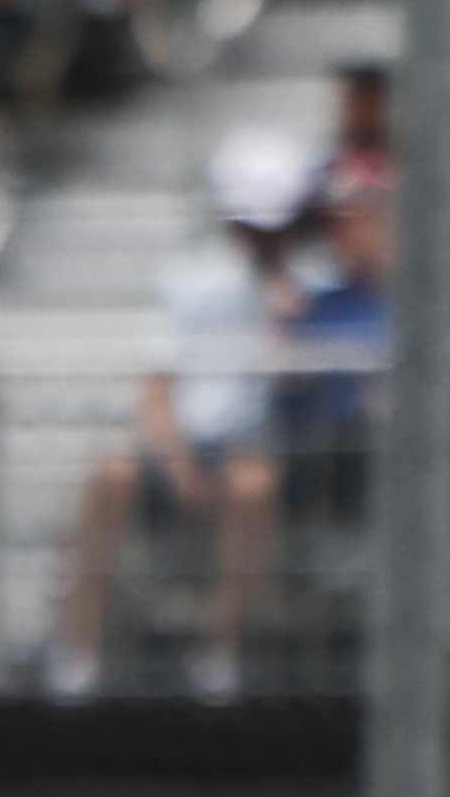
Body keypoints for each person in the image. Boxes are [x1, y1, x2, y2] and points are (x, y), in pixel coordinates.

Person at [47, 126, 314, 704]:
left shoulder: (308, 291)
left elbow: (302, 390)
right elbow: (157, 393)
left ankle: (221, 654)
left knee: (251, 486)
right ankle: (79, 648)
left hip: (251, 452)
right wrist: (176, 462)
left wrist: (289, 320)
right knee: (108, 475)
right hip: (180, 449)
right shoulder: (187, 282)